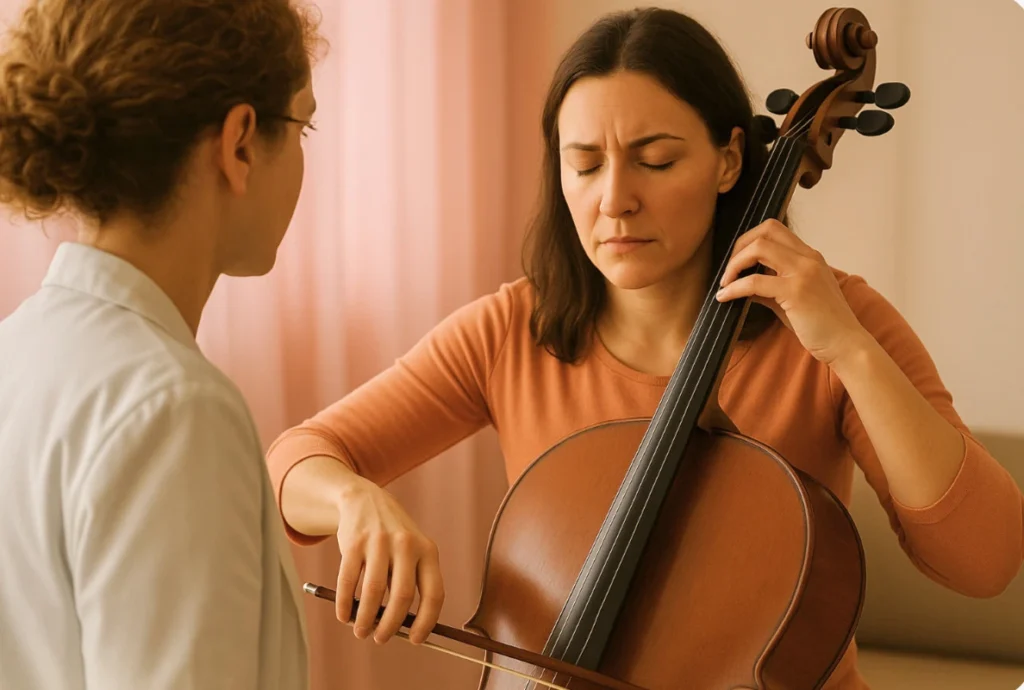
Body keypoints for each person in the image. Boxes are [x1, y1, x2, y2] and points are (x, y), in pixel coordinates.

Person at [265, 7, 1024, 689]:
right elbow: (293, 461)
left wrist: (851, 352)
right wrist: (355, 499)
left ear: (730, 159)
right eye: (585, 163)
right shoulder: (510, 331)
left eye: (656, 160)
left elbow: (984, 560)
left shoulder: (833, 320)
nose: (614, 199)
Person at [0, 0, 322, 688]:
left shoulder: (16, 354)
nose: (302, 156)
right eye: (304, 124)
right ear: (239, 143)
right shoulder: (175, 412)